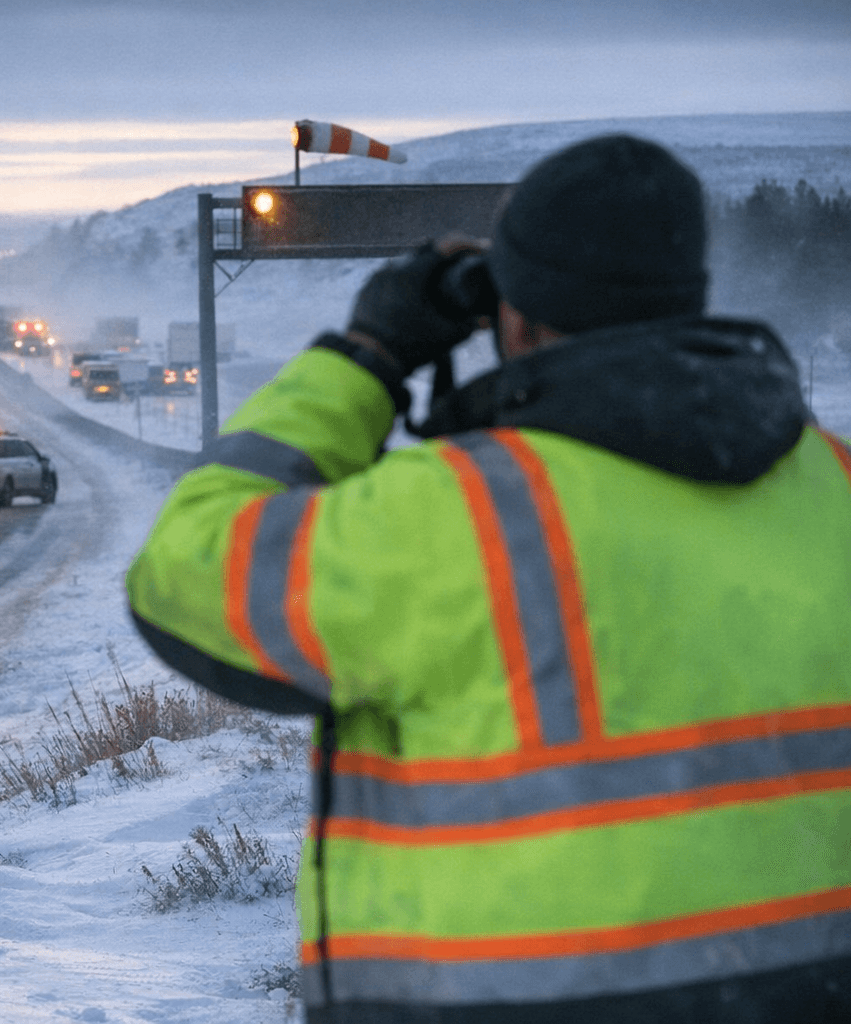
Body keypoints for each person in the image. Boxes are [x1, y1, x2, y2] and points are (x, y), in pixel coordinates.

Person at [125, 134, 851, 1022]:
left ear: (514, 317)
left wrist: (365, 357)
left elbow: (188, 568)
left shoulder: (462, 519)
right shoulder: (835, 486)